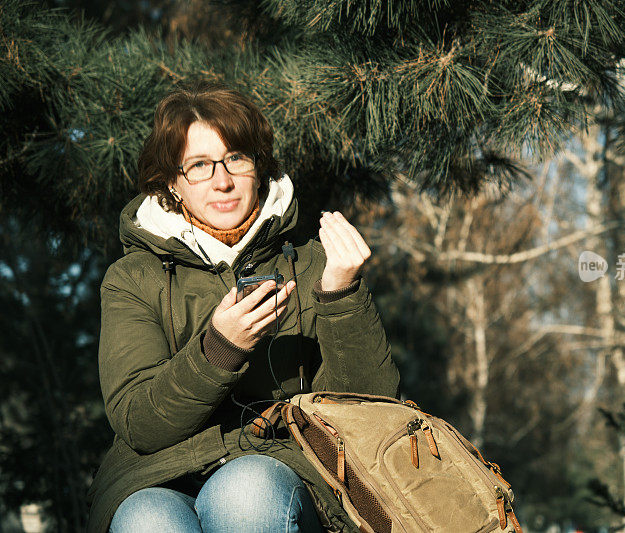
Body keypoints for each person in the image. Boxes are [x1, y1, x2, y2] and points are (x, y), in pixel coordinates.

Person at [86, 80, 400, 533]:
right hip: (156, 475)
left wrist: (340, 295)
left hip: (283, 466)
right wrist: (219, 349)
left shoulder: (313, 262)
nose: (222, 180)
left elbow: (370, 413)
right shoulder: (133, 278)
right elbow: (139, 421)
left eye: (236, 157)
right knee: (145, 522)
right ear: (172, 182)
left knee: (245, 492)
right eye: (199, 165)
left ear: (260, 167)